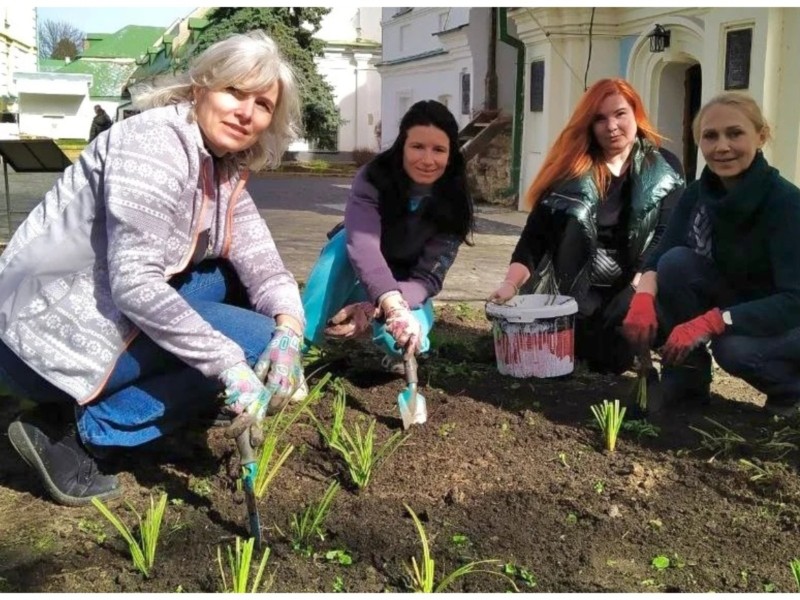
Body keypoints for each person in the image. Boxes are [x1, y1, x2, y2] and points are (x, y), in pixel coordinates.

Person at [0, 31, 307, 507]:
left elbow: (264, 265)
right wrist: (226, 364)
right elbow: (136, 284)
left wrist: (291, 332)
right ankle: (80, 437)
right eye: (235, 92)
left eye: (263, 104)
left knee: (239, 288)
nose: (247, 112)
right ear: (200, 88)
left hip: (87, 309)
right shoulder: (155, 144)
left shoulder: (222, 167)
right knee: (248, 345)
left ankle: (136, 399)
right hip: (36, 337)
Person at [488, 78, 685, 375]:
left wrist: (636, 290)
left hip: (639, 282)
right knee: (574, 351)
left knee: (615, 353)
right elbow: (534, 238)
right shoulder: (569, 171)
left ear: (636, 114)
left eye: (620, 114)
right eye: (600, 119)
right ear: (589, 125)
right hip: (576, 287)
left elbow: (665, 235)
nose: (612, 126)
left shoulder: (665, 168)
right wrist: (510, 284)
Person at [621, 92, 800, 417]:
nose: (722, 146)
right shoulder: (699, 194)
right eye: (710, 136)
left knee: (733, 349)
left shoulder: (785, 203)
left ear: (760, 137)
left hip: (787, 320)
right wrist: (643, 298)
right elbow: (660, 256)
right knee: (675, 264)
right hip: (744, 303)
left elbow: (794, 300)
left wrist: (715, 320)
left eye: (735, 133)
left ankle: (789, 391)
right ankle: (686, 381)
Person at [302, 100, 474, 372]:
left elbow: (427, 278)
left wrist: (378, 308)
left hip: (406, 287)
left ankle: (396, 353)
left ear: (450, 155)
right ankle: (300, 345)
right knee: (341, 244)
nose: (427, 160)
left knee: (408, 338)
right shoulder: (374, 177)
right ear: (402, 145)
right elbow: (362, 244)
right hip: (358, 275)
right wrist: (386, 300)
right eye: (417, 146)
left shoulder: (454, 203)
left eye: (438, 150)